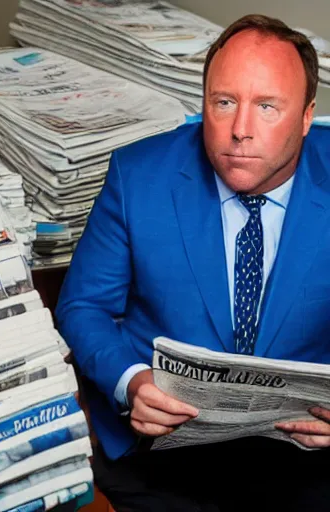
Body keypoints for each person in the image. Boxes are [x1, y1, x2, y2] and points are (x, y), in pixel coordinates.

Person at [55, 13, 330, 512]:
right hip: (162, 458)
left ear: (307, 116)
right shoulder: (137, 176)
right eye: (224, 102)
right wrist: (131, 383)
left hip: (308, 460)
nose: (239, 130)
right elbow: (83, 306)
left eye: (267, 106)